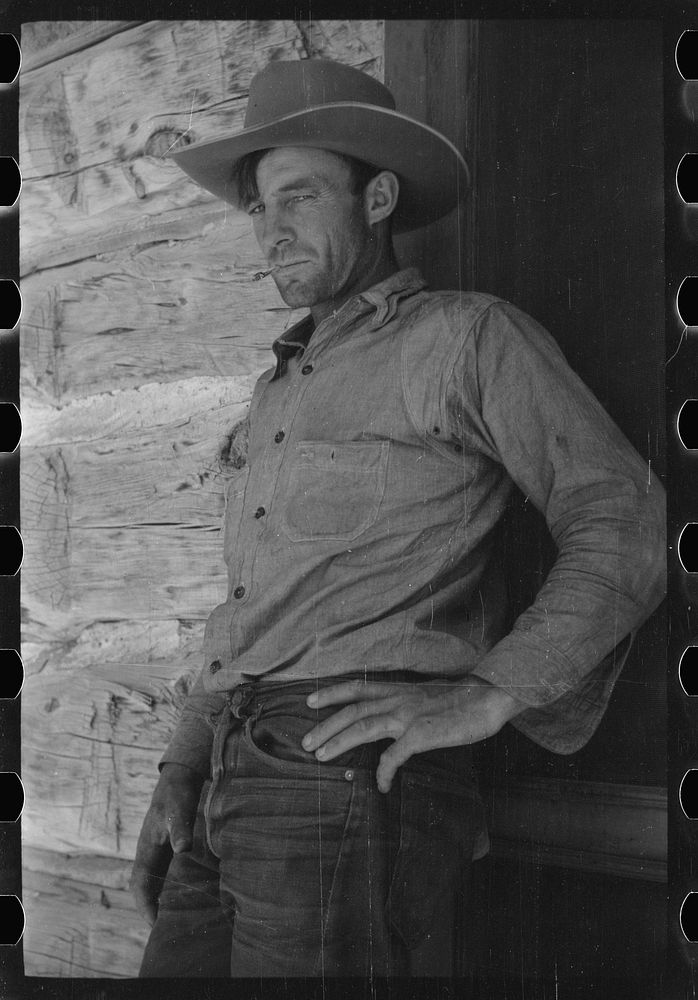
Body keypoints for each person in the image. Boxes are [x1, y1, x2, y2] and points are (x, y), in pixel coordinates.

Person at [130, 58, 665, 978]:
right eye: (259, 206)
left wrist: (493, 690)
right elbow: (255, 599)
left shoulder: (466, 339)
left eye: (299, 196)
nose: (272, 230)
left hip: (345, 779)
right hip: (228, 770)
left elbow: (625, 517)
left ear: (377, 198)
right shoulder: (280, 389)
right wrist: (185, 757)